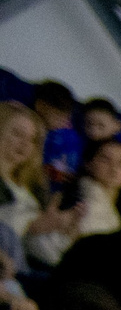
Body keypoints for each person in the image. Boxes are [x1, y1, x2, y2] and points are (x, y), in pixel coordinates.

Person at [0, 102, 82, 265]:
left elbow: (46, 252)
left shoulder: (35, 186)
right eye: (17, 134)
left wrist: (67, 232)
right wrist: (31, 226)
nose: (25, 144)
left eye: (32, 140)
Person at [28, 136, 121, 267]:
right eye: (105, 159)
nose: (114, 168)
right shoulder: (77, 201)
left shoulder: (116, 211)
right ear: (88, 163)